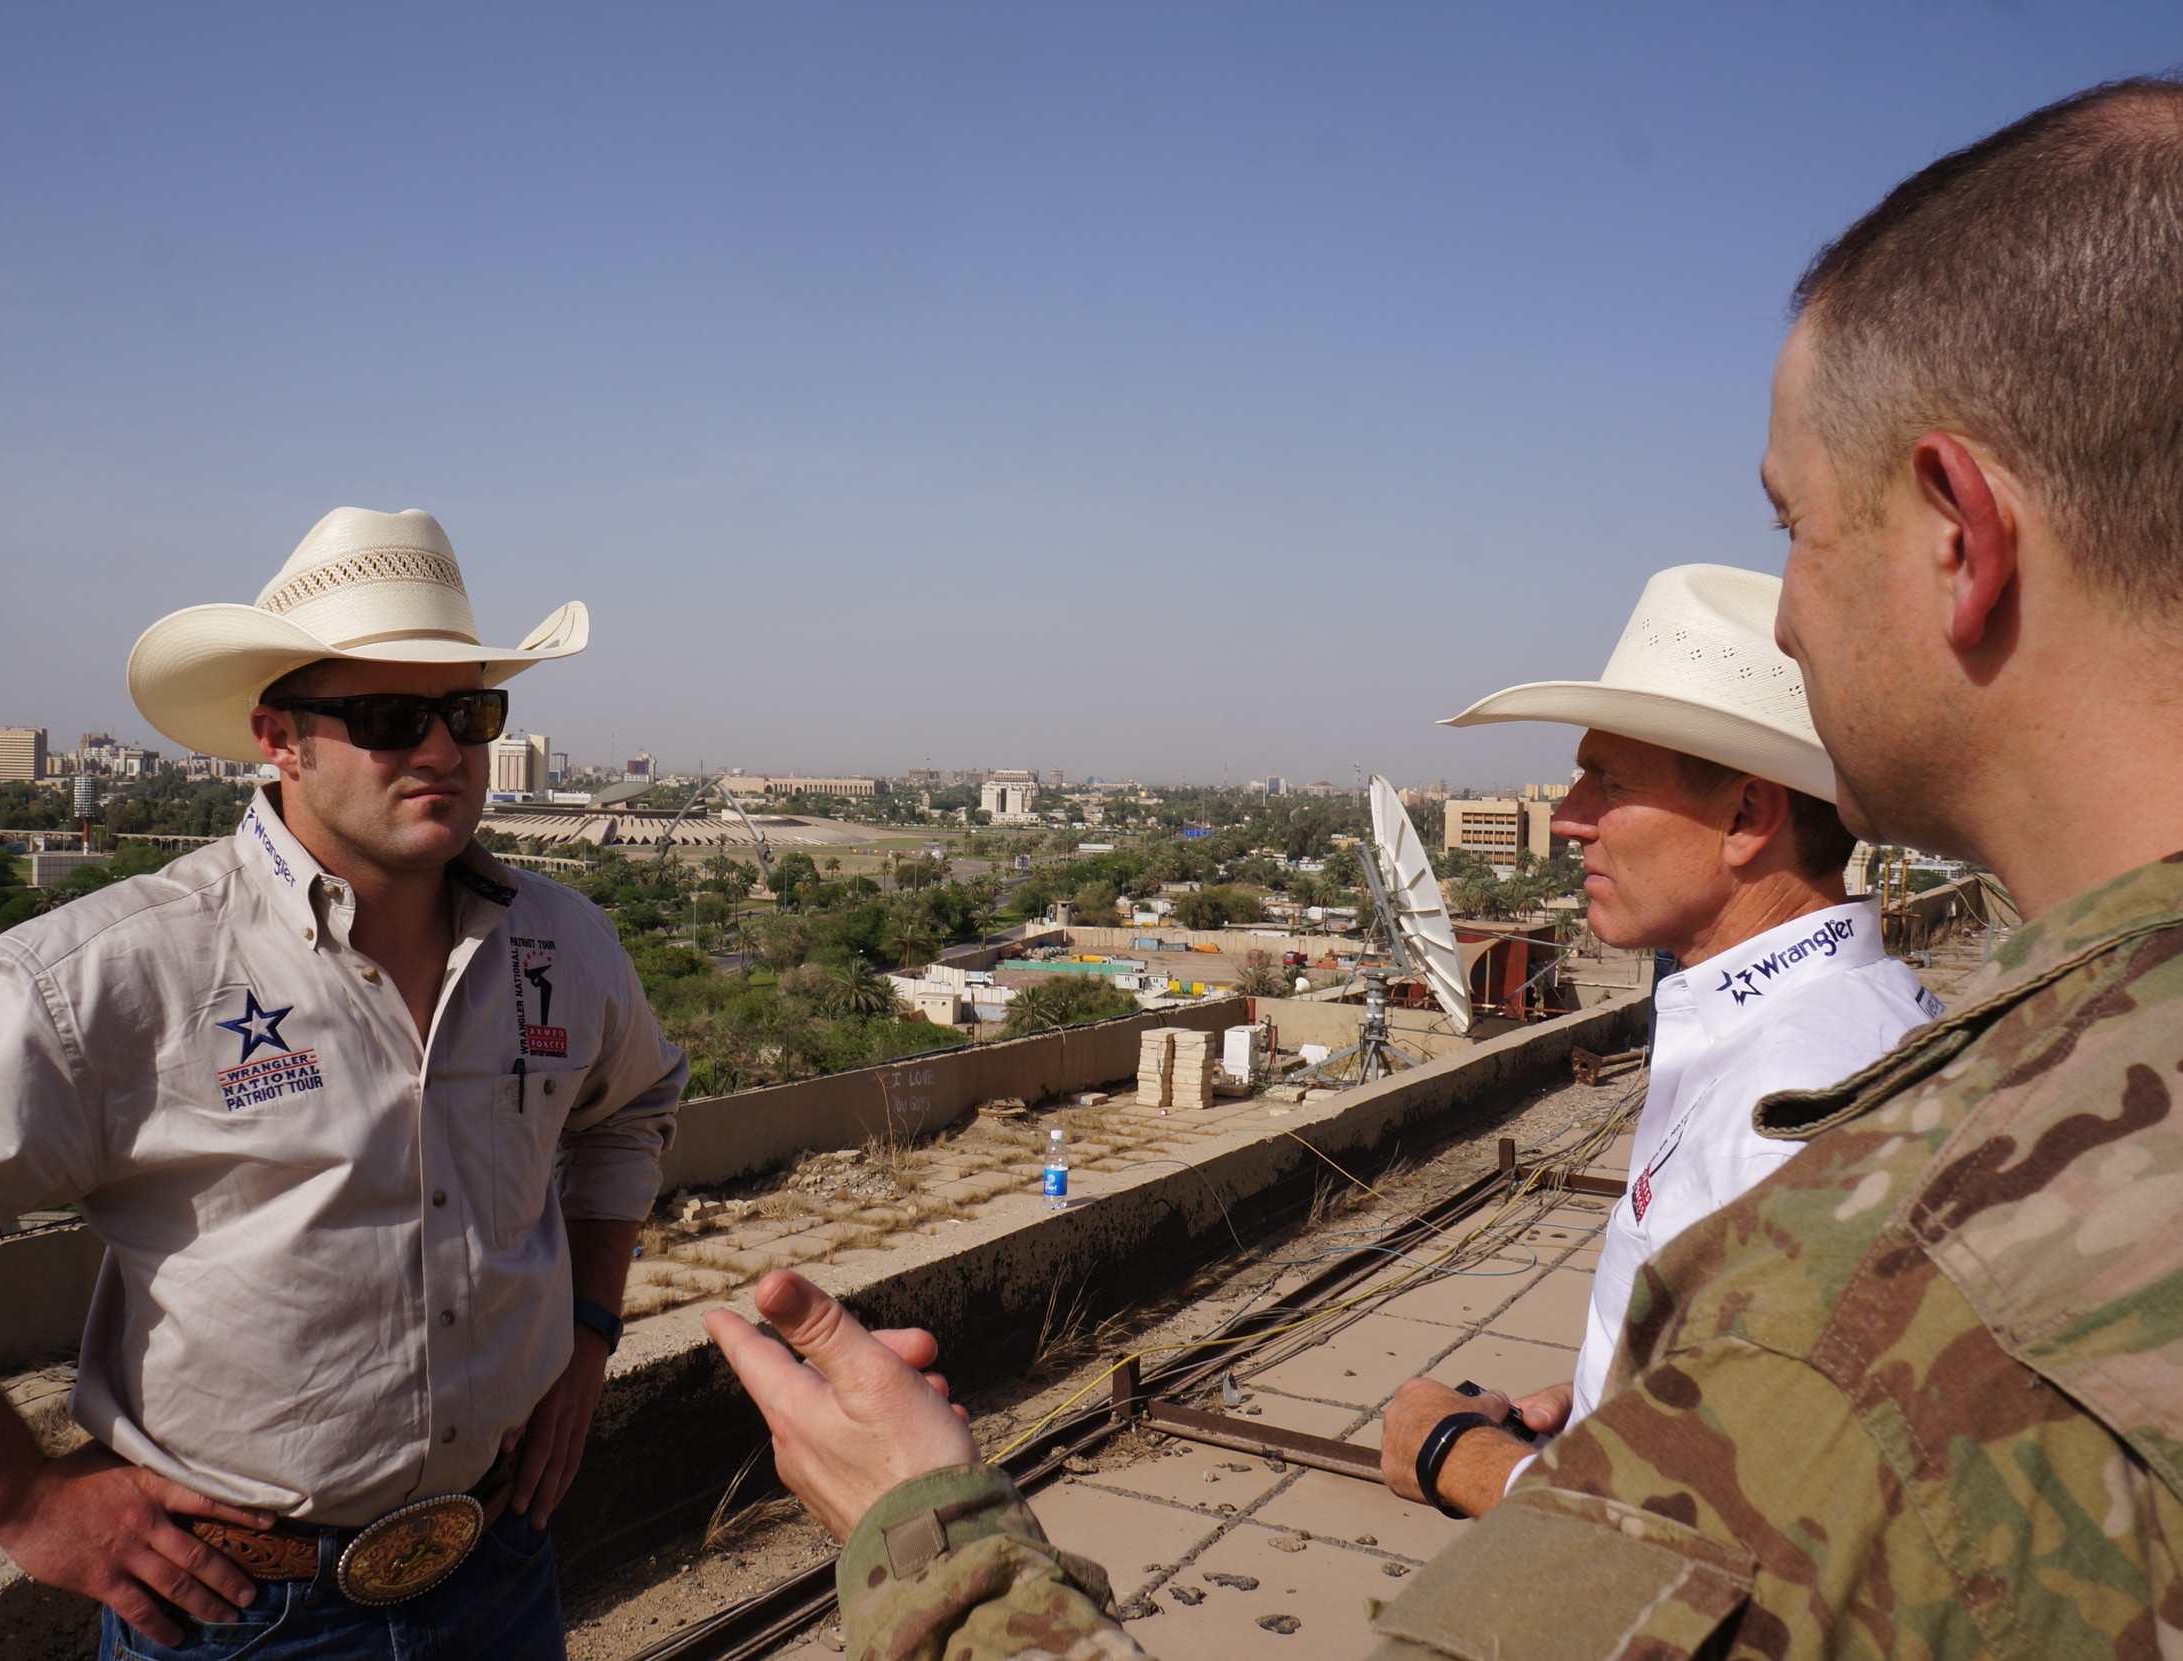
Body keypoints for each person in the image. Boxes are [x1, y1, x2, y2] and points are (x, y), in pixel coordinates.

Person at [709, 76, 2183, 1661]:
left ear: (1959, 532)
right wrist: (1634, 1431)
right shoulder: (2022, 1095)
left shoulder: (1869, 1197)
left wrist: (926, 1534)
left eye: (1796, 528)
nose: (1793, 612)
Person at [0, 507, 684, 1659]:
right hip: (239, 1611)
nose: (442, 749)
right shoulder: (118, 971)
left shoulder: (561, 944)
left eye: (470, 714)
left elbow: (633, 1104)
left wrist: (588, 1328)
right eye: (389, 716)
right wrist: (20, 1497)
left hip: (502, 1565)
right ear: (279, 737)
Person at [1374, 563, 1943, 1520]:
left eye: (1611, 781)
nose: (1569, 818)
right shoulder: (1788, 1034)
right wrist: (1611, 1401)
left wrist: (1456, 1458)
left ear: (1746, 817)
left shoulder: (1799, 1106)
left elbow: (1748, 1532)